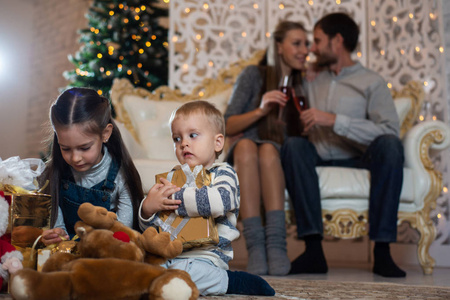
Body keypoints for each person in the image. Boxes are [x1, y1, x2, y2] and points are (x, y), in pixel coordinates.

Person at [281, 12, 406, 278]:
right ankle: (313, 251)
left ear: (337, 41)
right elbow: (277, 73)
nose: (311, 49)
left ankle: (382, 252)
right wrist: (300, 72)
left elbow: (388, 130)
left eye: (317, 41)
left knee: (391, 146)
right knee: (293, 146)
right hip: (318, 153)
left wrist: (336, 120)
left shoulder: (371, 82)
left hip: (359, 157)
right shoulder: (311, 75)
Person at [139, 101, 275, 296]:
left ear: (217, 143)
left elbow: (221, 201)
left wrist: (174, 198)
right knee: (142, 266)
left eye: (193, 135)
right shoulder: (171, 178)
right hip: (168, 253)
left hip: (206, 258)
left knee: (186, 274)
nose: (184, 143)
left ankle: (228, 281)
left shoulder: (223, 173)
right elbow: (155, 230)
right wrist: (148, 209)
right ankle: (163, 284)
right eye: (177, 139)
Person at [224, 20, 309, 276]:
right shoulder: (254, 74)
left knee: (269, 150)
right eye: (297, 43)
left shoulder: (303, 84)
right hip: (244, 151)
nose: (304, 50)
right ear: (279, 47)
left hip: (276, 154)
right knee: (248, 146)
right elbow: (227, 124)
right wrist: (261, 110)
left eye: (306, 44)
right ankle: (256, 247)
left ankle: (276, 245)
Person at [39, 87, 144, 245]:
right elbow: (55, 226)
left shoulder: (121, 177)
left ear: (105, 134)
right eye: (65, 148)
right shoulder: (53, 174)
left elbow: (123, 234)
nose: (75, 158)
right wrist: (55, 234)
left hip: (107, 251)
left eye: (84, 148)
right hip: (67, 251)